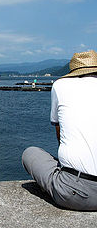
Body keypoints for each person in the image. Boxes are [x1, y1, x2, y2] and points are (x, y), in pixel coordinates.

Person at [22, 50, 97, 210]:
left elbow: (59, 130)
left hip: (76, 193)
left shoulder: (60, 85)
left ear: (73, 70)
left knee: (30, 153)